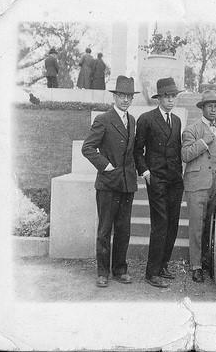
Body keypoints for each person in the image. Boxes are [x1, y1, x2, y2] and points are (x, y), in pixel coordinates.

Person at [81, 75, 140, 287]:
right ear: (114, 96)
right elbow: (87, 148)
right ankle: (103, 272)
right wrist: (106, 166)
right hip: (108, 183)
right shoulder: (103, 119)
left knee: (123, 229)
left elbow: (132, 152)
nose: (125, 100)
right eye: (122, 96)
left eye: (129, 96)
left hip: (127, 183)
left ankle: (120, 270)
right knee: (105, 229)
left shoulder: (132, 121)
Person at [134, 77, 184, 289]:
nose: (171, 100)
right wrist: (145, 172)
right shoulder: (146, 119)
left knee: (172, 224)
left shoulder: (177, 120)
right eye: (167, 96)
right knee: (160, 224)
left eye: (173, 96)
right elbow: (138, 150)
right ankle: (151, 272)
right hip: (156, 179)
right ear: (159, 98)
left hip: (174, 179)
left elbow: (178, 149)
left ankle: (163, 265)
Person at [182, 90, 216, 283]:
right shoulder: (192, 130)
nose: (213, 109)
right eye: (209, 106)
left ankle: (206, 260)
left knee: (210, 224)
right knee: (196, 225)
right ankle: (196, 266)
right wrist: (204, 141)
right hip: (197, 184)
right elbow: (185, 155)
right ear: (202, 108)